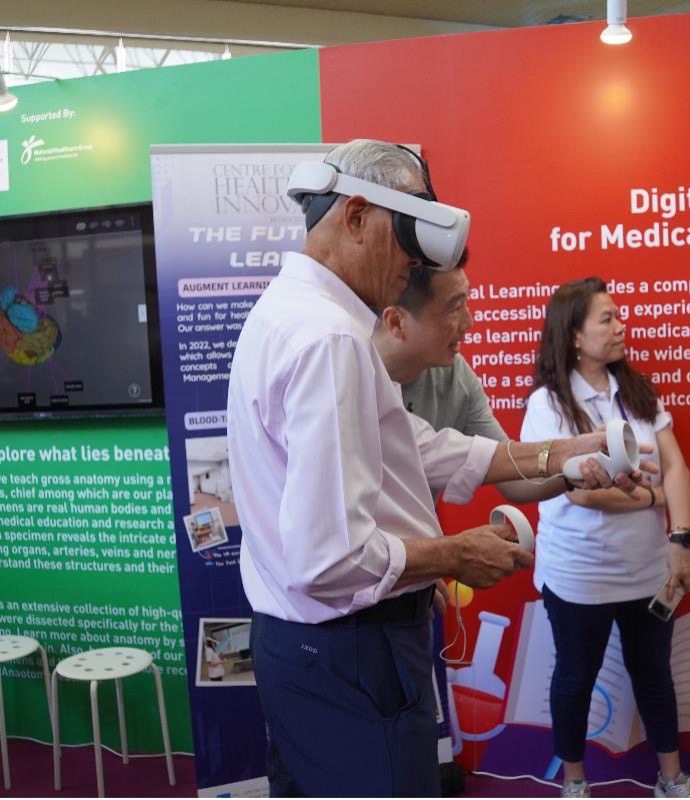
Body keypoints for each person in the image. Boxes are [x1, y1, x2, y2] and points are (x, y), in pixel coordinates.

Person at [227, 140, 651, 798]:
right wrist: (454, 554)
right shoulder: (331, 339)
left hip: (303, 646)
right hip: (351, 650)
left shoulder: (293, 314)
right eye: (408, 241)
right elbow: (329, 557)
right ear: (357, 216)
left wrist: (564, 454)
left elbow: (416, 447)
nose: (411, 266)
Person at [520, 277, 690, 799]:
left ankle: (672, 779)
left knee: (655, 675)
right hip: (579, 574)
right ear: (574, 335)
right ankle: (575, 784)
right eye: (607, 319)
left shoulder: (638, 390)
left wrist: (680, 538)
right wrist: (658, 498)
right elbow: (581, 493)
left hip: (646, 569)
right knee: (575, 678)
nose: (622, 326)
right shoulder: (548, 404)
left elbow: (676, 464)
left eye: (620, 316)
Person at [372, 262, 670, 508]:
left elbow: (514, 476)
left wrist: (575, 464)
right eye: (454, 308)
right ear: (397, 322)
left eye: (467, 303)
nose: (469, 322)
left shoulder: (456, 376)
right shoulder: (353, 378)